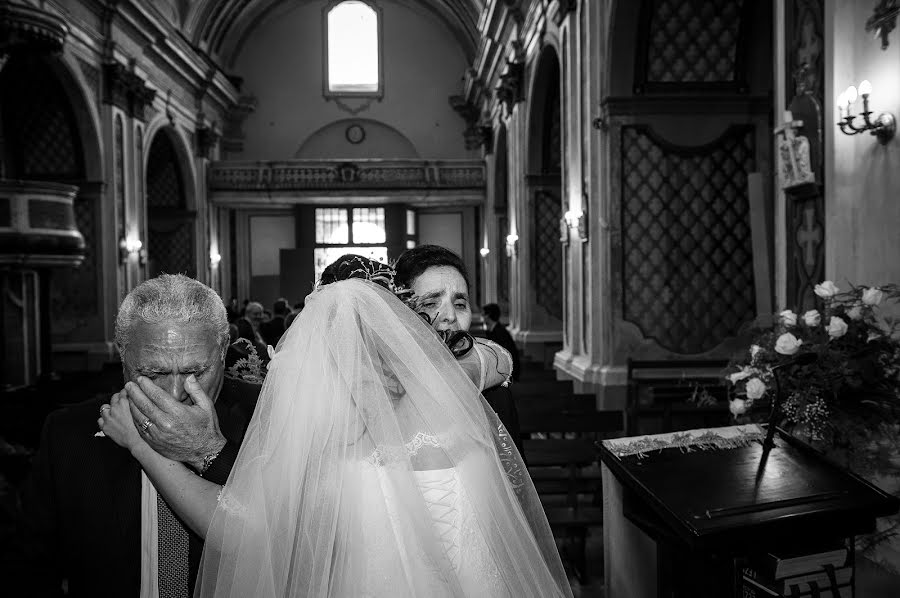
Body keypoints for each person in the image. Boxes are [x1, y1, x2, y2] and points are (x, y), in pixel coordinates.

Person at [99, 259, 572, 597]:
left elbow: (241, 531)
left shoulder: (323, 425)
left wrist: (146, 449)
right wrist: (486, 358)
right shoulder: (456, 395)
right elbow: (489, 363)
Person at [18, 274, 260, 597]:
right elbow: (28, 569)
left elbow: (276, 539)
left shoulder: (264, 415)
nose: (175, 393)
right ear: (123, 356)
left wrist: (203, 447)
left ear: (223, 349)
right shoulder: (68, 435)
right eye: (153, 373)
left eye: (195, 372)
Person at [395, 244, 523, 456]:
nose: (450, 316)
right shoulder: (375, 394)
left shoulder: (494, 396)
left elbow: (516, 481)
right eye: (430, 303)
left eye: (460, 304)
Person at [482, 303, 521, 382]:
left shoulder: (500, 332)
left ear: (488, 315)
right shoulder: (494, 330)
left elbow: (502, 356)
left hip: (509, 371)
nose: (483, 317)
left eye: (484, 314)